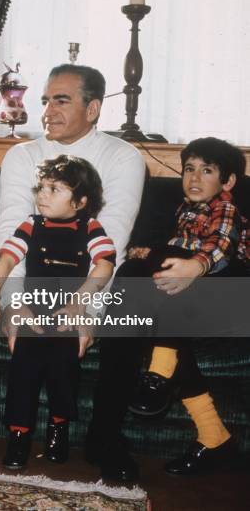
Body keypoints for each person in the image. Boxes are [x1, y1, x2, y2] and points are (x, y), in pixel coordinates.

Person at [0, 64, 146, 481]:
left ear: (93, 108)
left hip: (92, 284)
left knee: (136, 289)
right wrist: (14, 306)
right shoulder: (21, 156)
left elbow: (110, 242)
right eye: (45, 99)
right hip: (35, 282)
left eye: (61, 99)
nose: (47, 109)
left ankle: (105, 437)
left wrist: (85, 313)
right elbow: (11, 233)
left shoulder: (123, 157)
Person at [0, 155, 116, 470]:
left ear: (80, 202)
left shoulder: (92, 227)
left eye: (54, 189)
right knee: (23, 369)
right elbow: (6, 262)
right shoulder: (30, 224)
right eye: (42, 187)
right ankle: (19, 436)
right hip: (33, 310)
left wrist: (80, 301)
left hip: (68, 312)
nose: (42, 195)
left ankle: (59, 428)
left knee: (63, 368)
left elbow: (105, 264)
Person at [122, 137, 247, 475]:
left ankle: (157, 374)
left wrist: (196, 265)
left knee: (167, 269)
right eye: (189, 169)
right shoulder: (184, 209)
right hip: (188, 295)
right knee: (160, 322)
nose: (194, 178)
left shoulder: (225, 207)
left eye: (207, 171)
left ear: (228, 181)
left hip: (229, 289)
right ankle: (215, 436)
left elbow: (221, 246)